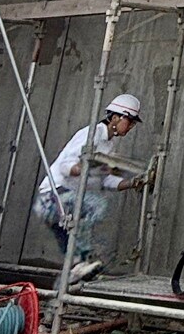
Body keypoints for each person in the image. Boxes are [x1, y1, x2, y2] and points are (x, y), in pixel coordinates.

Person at [33, 93, 148, 284]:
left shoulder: (108, 144)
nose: (131, 126)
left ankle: (76, 269)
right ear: (115, 117)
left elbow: (104, 181)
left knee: (87, 219)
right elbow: (66, 166)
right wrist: (89, 166)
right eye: (130, 121)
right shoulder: (92, 133)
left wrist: (132, 182)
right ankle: (79, 263)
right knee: (95, 207)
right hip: (55, 192)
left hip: (71, 195)